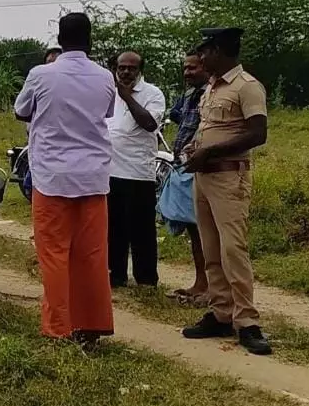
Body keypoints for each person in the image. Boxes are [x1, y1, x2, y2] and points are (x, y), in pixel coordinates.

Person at [13, 12, 116, 347]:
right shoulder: (105, 77)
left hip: (52, 178)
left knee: (55, 254)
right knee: (92, 254)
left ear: (59, 38)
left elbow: (20, 110)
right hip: (93, 178)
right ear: (90, 40)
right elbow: (108, 113)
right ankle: (91, 326)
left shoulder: (41, 74)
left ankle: (59, 327)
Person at [182, 27, 272, 356]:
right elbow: (210, 128)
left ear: (219, 51)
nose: (200, 57)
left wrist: (213, 153)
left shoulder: (247, 87)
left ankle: (246, 321)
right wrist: (196, 149)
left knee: (233, 249)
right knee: (211, 250)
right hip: (203, 179)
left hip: (228, 179)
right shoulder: (211, 88)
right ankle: (221, 313)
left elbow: (257, 133)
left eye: (204, 50)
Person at [106, 51, 166, 288]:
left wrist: (128, 97)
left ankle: (146, 279)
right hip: (110, 172)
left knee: (141, 230)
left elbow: (150, 123)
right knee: (114, 228)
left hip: (138, 173)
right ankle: (116, 275)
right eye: (121, 68)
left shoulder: (152, 94)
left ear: (140, 70)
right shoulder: (110, 94)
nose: (126, 72)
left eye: (131, 68)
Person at [164, 51, 210, 305]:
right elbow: (176, 114)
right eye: (185, 68)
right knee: (194, 228)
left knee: (206, 230)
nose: (187, 73)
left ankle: (214, 287)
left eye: (192, 68)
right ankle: (201, 282)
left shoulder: (212, 93)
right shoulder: (190, 95)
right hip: (184, 165)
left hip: (203, 168)